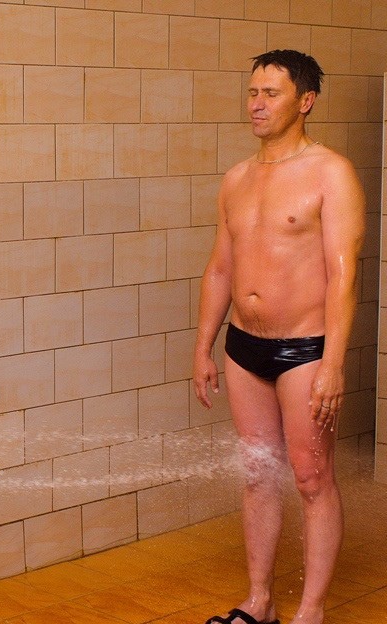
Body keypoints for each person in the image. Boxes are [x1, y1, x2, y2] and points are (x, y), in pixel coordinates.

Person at [193, 49, 365, 624]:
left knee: (312, 478)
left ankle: (311, 611)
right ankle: (259, 601)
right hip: (243, 347)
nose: (256, 104)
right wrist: (203, 346)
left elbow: (344, 275)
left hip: (306, 350)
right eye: (252, 93)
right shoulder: (237, 178)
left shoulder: (330, 173)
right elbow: (220, 268)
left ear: (305, 101)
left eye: (271, 94)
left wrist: (333, 364)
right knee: (259, 475)